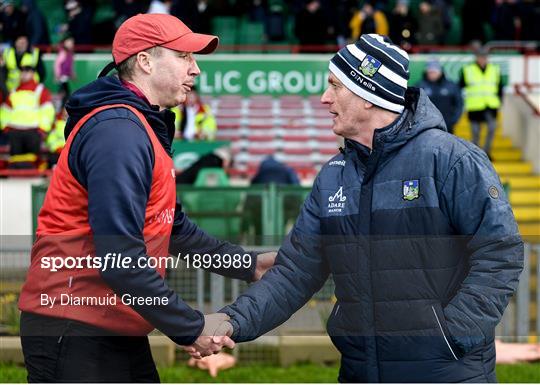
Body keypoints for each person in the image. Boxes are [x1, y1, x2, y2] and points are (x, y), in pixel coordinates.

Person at [186, 34, 524, 382]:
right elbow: (294, 273)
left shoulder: (452, 160)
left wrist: (451, 337)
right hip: (360, 371)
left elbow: (501, 254)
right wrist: (231, 320)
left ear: (368, 95)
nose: (324, 98)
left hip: (445, 372)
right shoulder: (333, 176)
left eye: (335, 86)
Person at [17, 13, 275, 382]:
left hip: (107, 324)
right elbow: (121, 258)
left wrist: (248, 265)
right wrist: (190, 326)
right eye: (184, 56)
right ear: (144, 61)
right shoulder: (119, 131)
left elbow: (172, 226)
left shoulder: (137, 125)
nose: (196, 69)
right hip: (74, 325)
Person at [0, 65, 54, 168]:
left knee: (31, 163)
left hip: (33, 132)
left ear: (33, 74)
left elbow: (48, 111)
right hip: (15, 132)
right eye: (22, 71)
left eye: (27, 71)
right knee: (15, 163)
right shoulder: (14, 91)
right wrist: (6, 128)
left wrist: (42, 130)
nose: (24, 74)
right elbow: (5, 111)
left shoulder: (40, 90)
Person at [459, 47, 503, 159]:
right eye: (481, 56)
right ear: (476, 57)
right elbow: (460, 87)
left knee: (492, 127)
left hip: (490, 105)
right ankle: (476, 154)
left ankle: (486, 151)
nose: (483, 59)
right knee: (475, 132)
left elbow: (499, 87)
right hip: (474, 106)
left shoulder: (495, 69)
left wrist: (500, 101)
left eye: (485, 57)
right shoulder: (467, 69)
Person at [415, 59, 463, 134]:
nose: (432, 74)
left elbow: (459, 104)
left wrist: (453, 120)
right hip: (426, 127)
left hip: (447, 125)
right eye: (430, 72)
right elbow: (414, 105)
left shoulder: (451, 86)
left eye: (434, 72)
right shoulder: (420, 86)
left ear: (440, 72)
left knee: (448, 144)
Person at [54, 36, 76, 110]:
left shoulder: (70, 53)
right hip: (62, 77)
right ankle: (60, 108)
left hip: (66, 77)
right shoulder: (63, 52)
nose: (71, 44)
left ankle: (61, 108)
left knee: (65, 92)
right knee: (64, 93)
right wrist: (57, 75)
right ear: (64, 43)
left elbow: (70, 66)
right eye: (69, 42)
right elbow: (57, 64)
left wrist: (72, 74)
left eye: (72, 43)